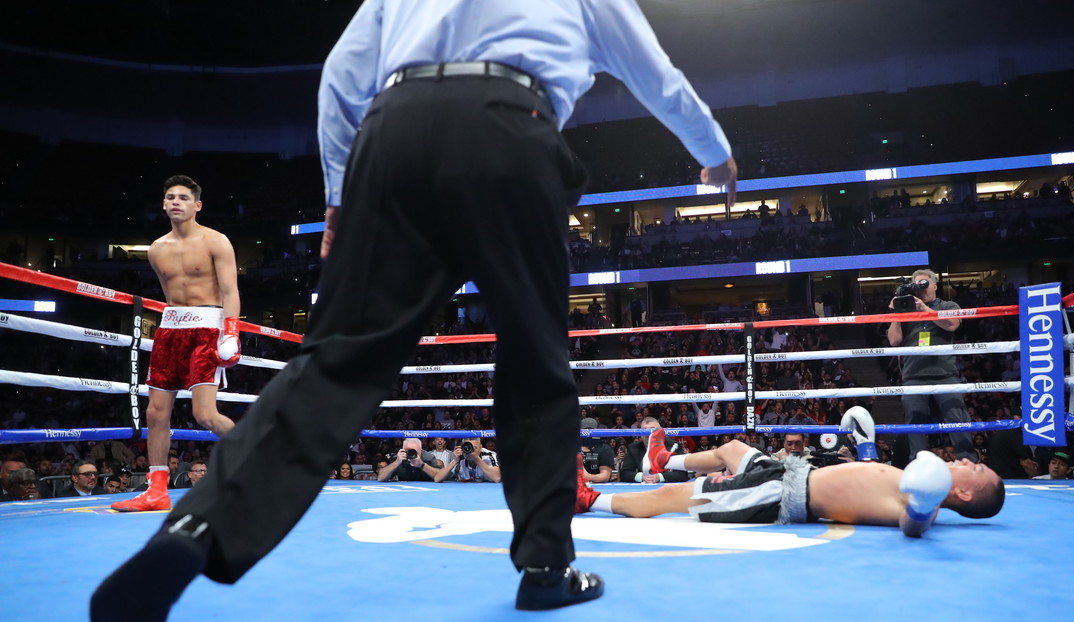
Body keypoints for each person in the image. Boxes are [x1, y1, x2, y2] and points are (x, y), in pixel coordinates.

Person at [92, 1, 737, 617]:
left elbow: (341, 76)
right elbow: (653, 68)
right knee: (535, 362)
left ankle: (191, 534)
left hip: (393, 132)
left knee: (332, 364)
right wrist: (713, 151)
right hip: (510, 128)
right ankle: (544, 569)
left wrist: (339, 193)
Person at [578, 429, 1004, 538]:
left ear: (964, 494)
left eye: (977, 469)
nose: (969, 460)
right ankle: (667, 458)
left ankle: (589, 499)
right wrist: (867, 447)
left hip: (782, 495)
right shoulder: (916, 481)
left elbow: (912, 527)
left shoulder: (922, 505)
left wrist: (923, 502)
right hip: (790, 473)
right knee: (731, 448)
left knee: (673, 496)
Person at [111, 174, 242, 514]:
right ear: (164, 203)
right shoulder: (156, 249)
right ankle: (156, 491)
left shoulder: (216, 241)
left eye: (183, 197)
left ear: (197, 205)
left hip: (207, 328)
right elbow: (170, 295)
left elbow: (230, 291)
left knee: (204, 414)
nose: (175, 202)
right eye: (170, 197)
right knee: (155, 414)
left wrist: (231, 331)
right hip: (171, 328)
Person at [887, 269, 977, 462]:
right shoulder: (906, 310)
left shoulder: (948, 305)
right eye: (917, 285)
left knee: (956, 419)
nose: (921, 289)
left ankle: (967, 462)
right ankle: (918, 463)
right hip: (913, 375)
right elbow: (894, 341)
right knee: (915, 424)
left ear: (935, 285)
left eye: (924, 284)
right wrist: (896, 312)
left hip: (945, 373)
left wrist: (925, 310)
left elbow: (952, 324)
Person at [619, 417, 691, 484]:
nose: (648, 434)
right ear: (641, 434)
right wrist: (642, 477)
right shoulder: (634, 448)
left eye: (652, 429)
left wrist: (660, 477)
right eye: (644, 430)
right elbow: (625, 473)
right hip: (644, 490)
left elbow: (682, 474)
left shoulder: (673, 445)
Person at [435, 437, 502, 483]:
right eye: (467, 447)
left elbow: (497, 477)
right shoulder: (461, 456)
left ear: (480, 447)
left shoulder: (489, 455)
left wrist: (476, 458)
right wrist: (455, 460)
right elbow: (438, 478)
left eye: (474, 448)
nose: (470, 450)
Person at [377, 439, 441, 482]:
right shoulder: (399, 458)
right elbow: (380, 478)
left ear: (421, 451)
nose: (411, 454)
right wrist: (396, 462)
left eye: (414, 451)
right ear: (403, 450)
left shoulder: (428, 458)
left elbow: (440, 476)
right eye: (408, 451)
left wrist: (422, 465)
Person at [579, 418, 615, 483]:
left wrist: (586, 476)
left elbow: (605, 476)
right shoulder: (573, 448)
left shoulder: (604, 449)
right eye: (585, 431)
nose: (588, 434)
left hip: (599, 487)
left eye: (591, 431)